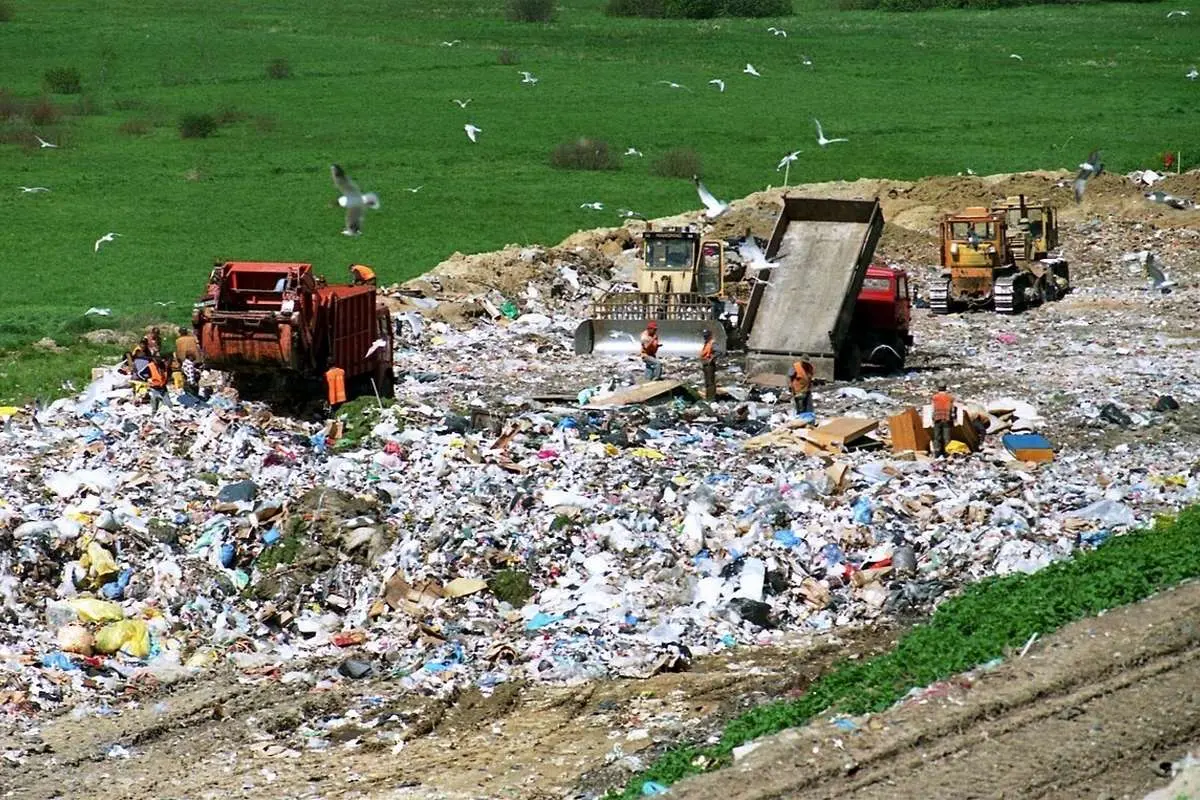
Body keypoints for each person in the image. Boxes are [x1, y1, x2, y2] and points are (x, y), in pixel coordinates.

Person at [931, 385, 955, 458]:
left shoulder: (934, 397)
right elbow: (952, 409)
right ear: (945, 388)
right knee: (946, 437)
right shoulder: (950, 397)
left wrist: (933, 417)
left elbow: (933, 408)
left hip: (937, 418)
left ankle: (937, 453)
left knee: (937, 437)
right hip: (946, 418)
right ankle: (947, 453)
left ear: (938, 389)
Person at [698, 328, 717, 401]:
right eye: (704, 336)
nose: (705, 337)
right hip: (705, 365)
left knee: (710, 382)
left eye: (706, 336)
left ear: (709, 335)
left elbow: (719, 352)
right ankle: (708, 397)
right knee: (707, 382)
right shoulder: (706, 343)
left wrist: (711, 358)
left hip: (710, 365)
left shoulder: (713, 343)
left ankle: (711, 398)